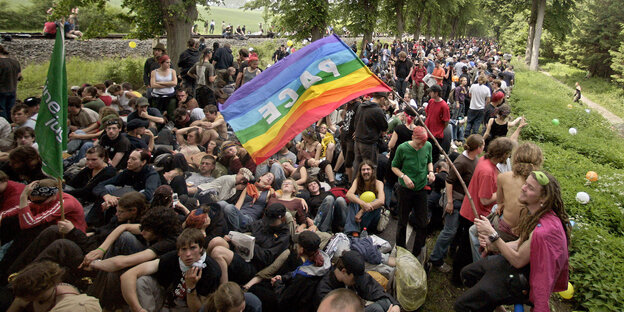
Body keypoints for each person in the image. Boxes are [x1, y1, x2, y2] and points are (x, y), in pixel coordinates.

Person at [456, 171, 570, 312]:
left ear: (544, 199)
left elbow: (518, 260)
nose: (523, 188)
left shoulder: (544, 231)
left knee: (462, 306)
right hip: (519, 266)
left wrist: (493, 234)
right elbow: (518, 244)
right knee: (467, 274)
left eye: (531, 188)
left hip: (525, 278)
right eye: (526, 184)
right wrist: (491, 245)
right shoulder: (534, 214)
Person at [453, 137, 514, 283]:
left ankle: (459, 273)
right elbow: (485, 199)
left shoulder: (483, 160)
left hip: (468, 208)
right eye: (508, 154)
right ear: (503, 154)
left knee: (463, 244)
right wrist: (501, 193)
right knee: (466, 249)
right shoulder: (487, 171)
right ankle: (458, 278)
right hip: (474, 213)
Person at [120, 228, 221, 312]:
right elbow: (127, 276)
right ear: (178, 252)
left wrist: (191, 287)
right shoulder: (173, 258)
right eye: (184, 249)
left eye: (193, 248)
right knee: (142, 281)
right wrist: (138, 309)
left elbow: (198, 310)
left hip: (187, 306)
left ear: (200, 249)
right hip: (167, 299)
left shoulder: (211, 271)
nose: (188, 254)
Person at [428, 134, 483, 273]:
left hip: (464, 201)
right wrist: (450, 202)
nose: (483, 148)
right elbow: (449, 181)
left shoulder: (474, 159)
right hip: (456, 200)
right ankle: (436, 259)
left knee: (457, 231)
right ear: (476, 148)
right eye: (482, 146)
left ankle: (450, 252)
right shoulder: (461, 162)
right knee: (449, 231)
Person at [210, 203, 290, 285]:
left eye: (272, 221)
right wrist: (232, 237)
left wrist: (250, 245)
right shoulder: (261, 223)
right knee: (216, 241)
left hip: (253, 264)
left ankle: (223, 289)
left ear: (282, 219)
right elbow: (243, 230)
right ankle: (207, 272)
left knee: (218, 252)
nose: (269, 223)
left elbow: (267, 258)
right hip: (240, 252)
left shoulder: (283, 235)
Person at [391, 126, 434, 261]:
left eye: (423, 143)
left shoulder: (427, 146)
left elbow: (429, 161)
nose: (421, 145)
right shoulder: (403, 148)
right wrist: (404, 176)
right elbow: (394, 166)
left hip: (421, 189)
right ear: (413, 137)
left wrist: (431, 172)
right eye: (419, 143)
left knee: (422, 222)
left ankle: (416, 252)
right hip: (405, 190)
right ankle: (401, 249)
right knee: (402, 220)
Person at [315, 250, 399, 312]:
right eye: (355, 278)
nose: (356, 281)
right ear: (344, 271)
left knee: (386, 303)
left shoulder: (354, 275)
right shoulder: (325, 292)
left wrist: (396, 306)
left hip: (357, 306)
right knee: (377, 309)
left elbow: (376, 290)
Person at [493, 143, 543, 241]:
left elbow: (499, 202)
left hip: (504, 228)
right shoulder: (541, 183)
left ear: (516, 157)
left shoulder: (503, 177)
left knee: (474, 230)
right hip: (525, 233)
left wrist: (502, 204)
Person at [7, 261, 102, 312]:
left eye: (27, 297)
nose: (25, 299)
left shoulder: (71, 304)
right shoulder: (25, 294)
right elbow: (17, 304)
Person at [344, 160, 385, 234]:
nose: (366, 171)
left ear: (372, 171)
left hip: (371, 217)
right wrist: (363, 203)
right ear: (360, 172)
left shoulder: (379, 183)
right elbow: (348, 194)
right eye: (363, 170)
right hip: (358, 217)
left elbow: (381, 201)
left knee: (375, 201)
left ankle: (354, 229)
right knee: (354, 198)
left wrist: (361, 211)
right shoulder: (357, 181)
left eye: (368, 169)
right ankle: (353, 232)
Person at [352, 93, 388, 174]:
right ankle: (368, 186)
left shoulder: (361, 106)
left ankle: (355, 185)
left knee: (358, 166)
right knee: (370, 168)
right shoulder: (377, 110)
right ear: (382, 98)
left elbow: (355, 122)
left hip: (358, 141)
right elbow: (384, 126)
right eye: (384, 100)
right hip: (369, 143)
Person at [424, 84, 450, 164]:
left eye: (431, 92)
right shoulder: (431, 101)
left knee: (433, 155)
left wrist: (439, 130)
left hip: (436, 135)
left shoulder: (444, 106)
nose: (429, 94)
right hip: (427, 132)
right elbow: (427, 113)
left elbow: (446, 121)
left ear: (436, 93)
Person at [0, 44, 21, 122]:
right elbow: (19, 76)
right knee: (11, 110)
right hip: (12, 90)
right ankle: (11, 125)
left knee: (2, 112)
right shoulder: (15, 62)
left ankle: (4, 128)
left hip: (1, 91)